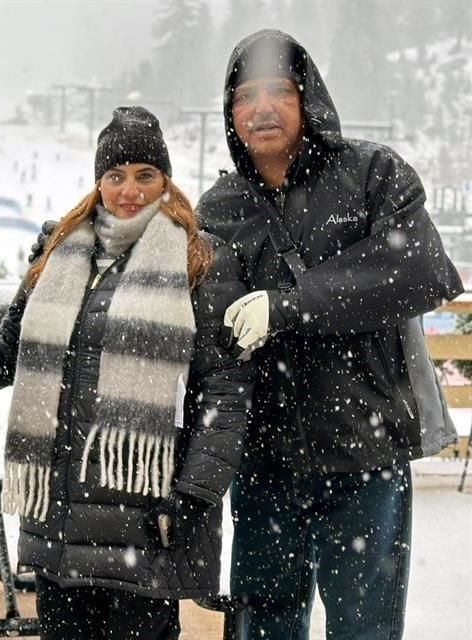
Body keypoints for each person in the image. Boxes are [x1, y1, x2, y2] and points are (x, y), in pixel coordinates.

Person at [196, 30, 465, 640]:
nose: (262, 108)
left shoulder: (371, 174)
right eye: (245, 96)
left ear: (307, 97)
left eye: (279, 91)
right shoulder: (222, 206)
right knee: (264, 625)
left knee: (366, 627)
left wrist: (292, 305)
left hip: (365, 456)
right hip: (265, 461)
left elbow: (421, 269)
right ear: (230, 112)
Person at [0, 106, 255, 640]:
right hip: (61, 517)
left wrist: (194, 493)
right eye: (116, 176)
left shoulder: (200, 262)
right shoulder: (60, 257)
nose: (129, 190)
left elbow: (224, 390)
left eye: (145, 175)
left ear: (165, 181)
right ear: (99, 182)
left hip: (150, 517)